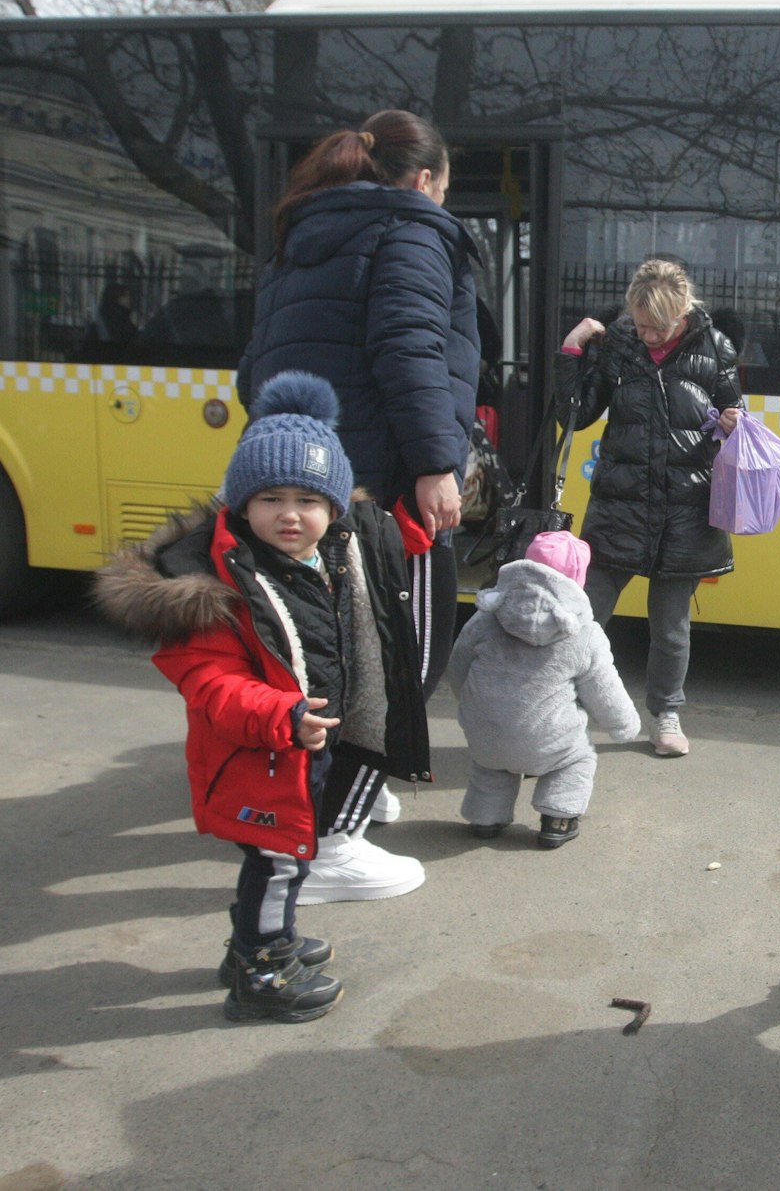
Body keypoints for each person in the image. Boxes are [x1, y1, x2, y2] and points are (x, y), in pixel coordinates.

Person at [93, 372, 430, 1023]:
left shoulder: (329, 556)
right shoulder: (218, 584)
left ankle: (256, 940)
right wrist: (282, 714)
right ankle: (261, 967)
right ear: (241, 505)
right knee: (278, 864)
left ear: (335, 508)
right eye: (270, 497)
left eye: (308, 497)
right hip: (259, 755)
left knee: (286, 862)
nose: (290, 513)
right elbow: (211, 684)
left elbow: (390, 539)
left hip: (300, 750)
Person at [237, 110, 481, 901]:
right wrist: (438, 462)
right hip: (382, 487)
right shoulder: (410, 230)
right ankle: (332, 840)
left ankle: (344, 798)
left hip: (317, 485)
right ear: (423, 180)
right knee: (398, 661)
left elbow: (256, 370)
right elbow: (411, 350)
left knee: (329, 654)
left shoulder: (304, 233)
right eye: (445, 188)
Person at [558, 258, 745, 758]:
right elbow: (576, 414)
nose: (647, 335)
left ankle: (666, 713)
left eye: (657, 327)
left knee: (670, 626)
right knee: (586, 611)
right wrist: (574, 348)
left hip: (686, 505)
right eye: (639, 324)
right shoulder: (619, 343)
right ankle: (565, 707)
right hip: (621, 502)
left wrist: (733, 422)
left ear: (683, 312)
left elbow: (737, 412)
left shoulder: (715, 347)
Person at [447, 530, 641, 849]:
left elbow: (458, 667)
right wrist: (625, 726)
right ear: (578, 580)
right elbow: (604, 691)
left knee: (490, 762)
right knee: (576, 757)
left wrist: (469, 704)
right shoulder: (583, 632)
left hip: (484, 733)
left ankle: (485, 817)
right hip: (546, 741)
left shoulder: (486, 617)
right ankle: (558, 818)